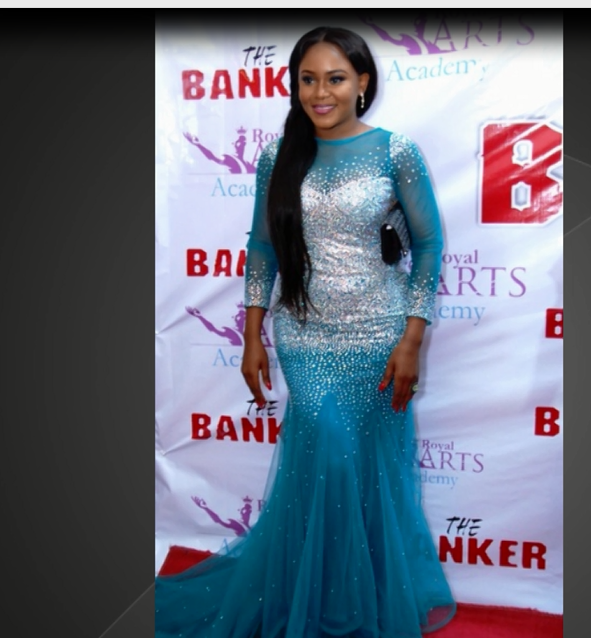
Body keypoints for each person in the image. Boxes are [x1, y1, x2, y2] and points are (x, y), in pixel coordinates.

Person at [156, 26, 455, 637]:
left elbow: (428, 246)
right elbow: (262, 248)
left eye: (335, 78)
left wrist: (412, 341)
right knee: (328, 460)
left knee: (364, 468)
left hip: (379, 335)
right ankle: (314, 600)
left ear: (362, 82)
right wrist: (252, 335)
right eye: (308, 79)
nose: (321, 92)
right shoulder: (279, 156)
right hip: (304, 336)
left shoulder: (396, 152)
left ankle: (362, 597)